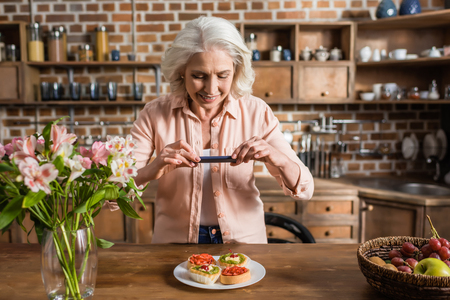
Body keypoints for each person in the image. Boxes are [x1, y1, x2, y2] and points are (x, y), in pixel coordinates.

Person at [131, 16, 314, 244]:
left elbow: (305, 188)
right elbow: (114, 189)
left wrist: (278, 158)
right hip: (174, 244)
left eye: (222, 76)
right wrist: (153, 168)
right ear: (181, 71)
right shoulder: (154, 114)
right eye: (199, 76)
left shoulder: (256, 111)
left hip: (245, 243)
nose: (211, 88)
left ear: (235, 71)